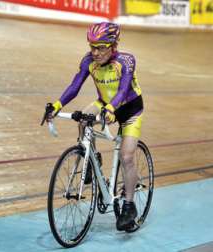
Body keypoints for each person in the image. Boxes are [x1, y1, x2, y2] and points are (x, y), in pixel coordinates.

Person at [45, 22, 143, 231]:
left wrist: (111, 109)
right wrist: (57, 104)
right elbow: (75, 86)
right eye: (92, 46)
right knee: (83, 119)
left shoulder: (126, 61)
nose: (95, 52)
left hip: (129, 109)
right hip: (104, 104)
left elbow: (124, 90)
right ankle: (91, 158)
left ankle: (129, 205)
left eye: (101, 47)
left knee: (126, 157)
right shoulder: (88, 61)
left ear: (113, 46)